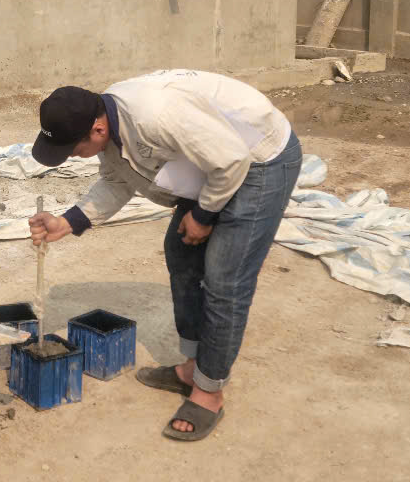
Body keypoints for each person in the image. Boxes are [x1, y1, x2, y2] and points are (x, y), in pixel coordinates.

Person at [27, 69, 301, 442]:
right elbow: (117, 180)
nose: (74, 156)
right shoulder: (108, 122)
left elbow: (232, 161)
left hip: (258, 158)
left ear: (97, 130)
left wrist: (202, 216)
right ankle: (193, 368)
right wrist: (66, 222)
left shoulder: (155, 116)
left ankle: (209, 392)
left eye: (73, 150)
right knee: (181, 251)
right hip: (215, 159)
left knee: (225, 279)